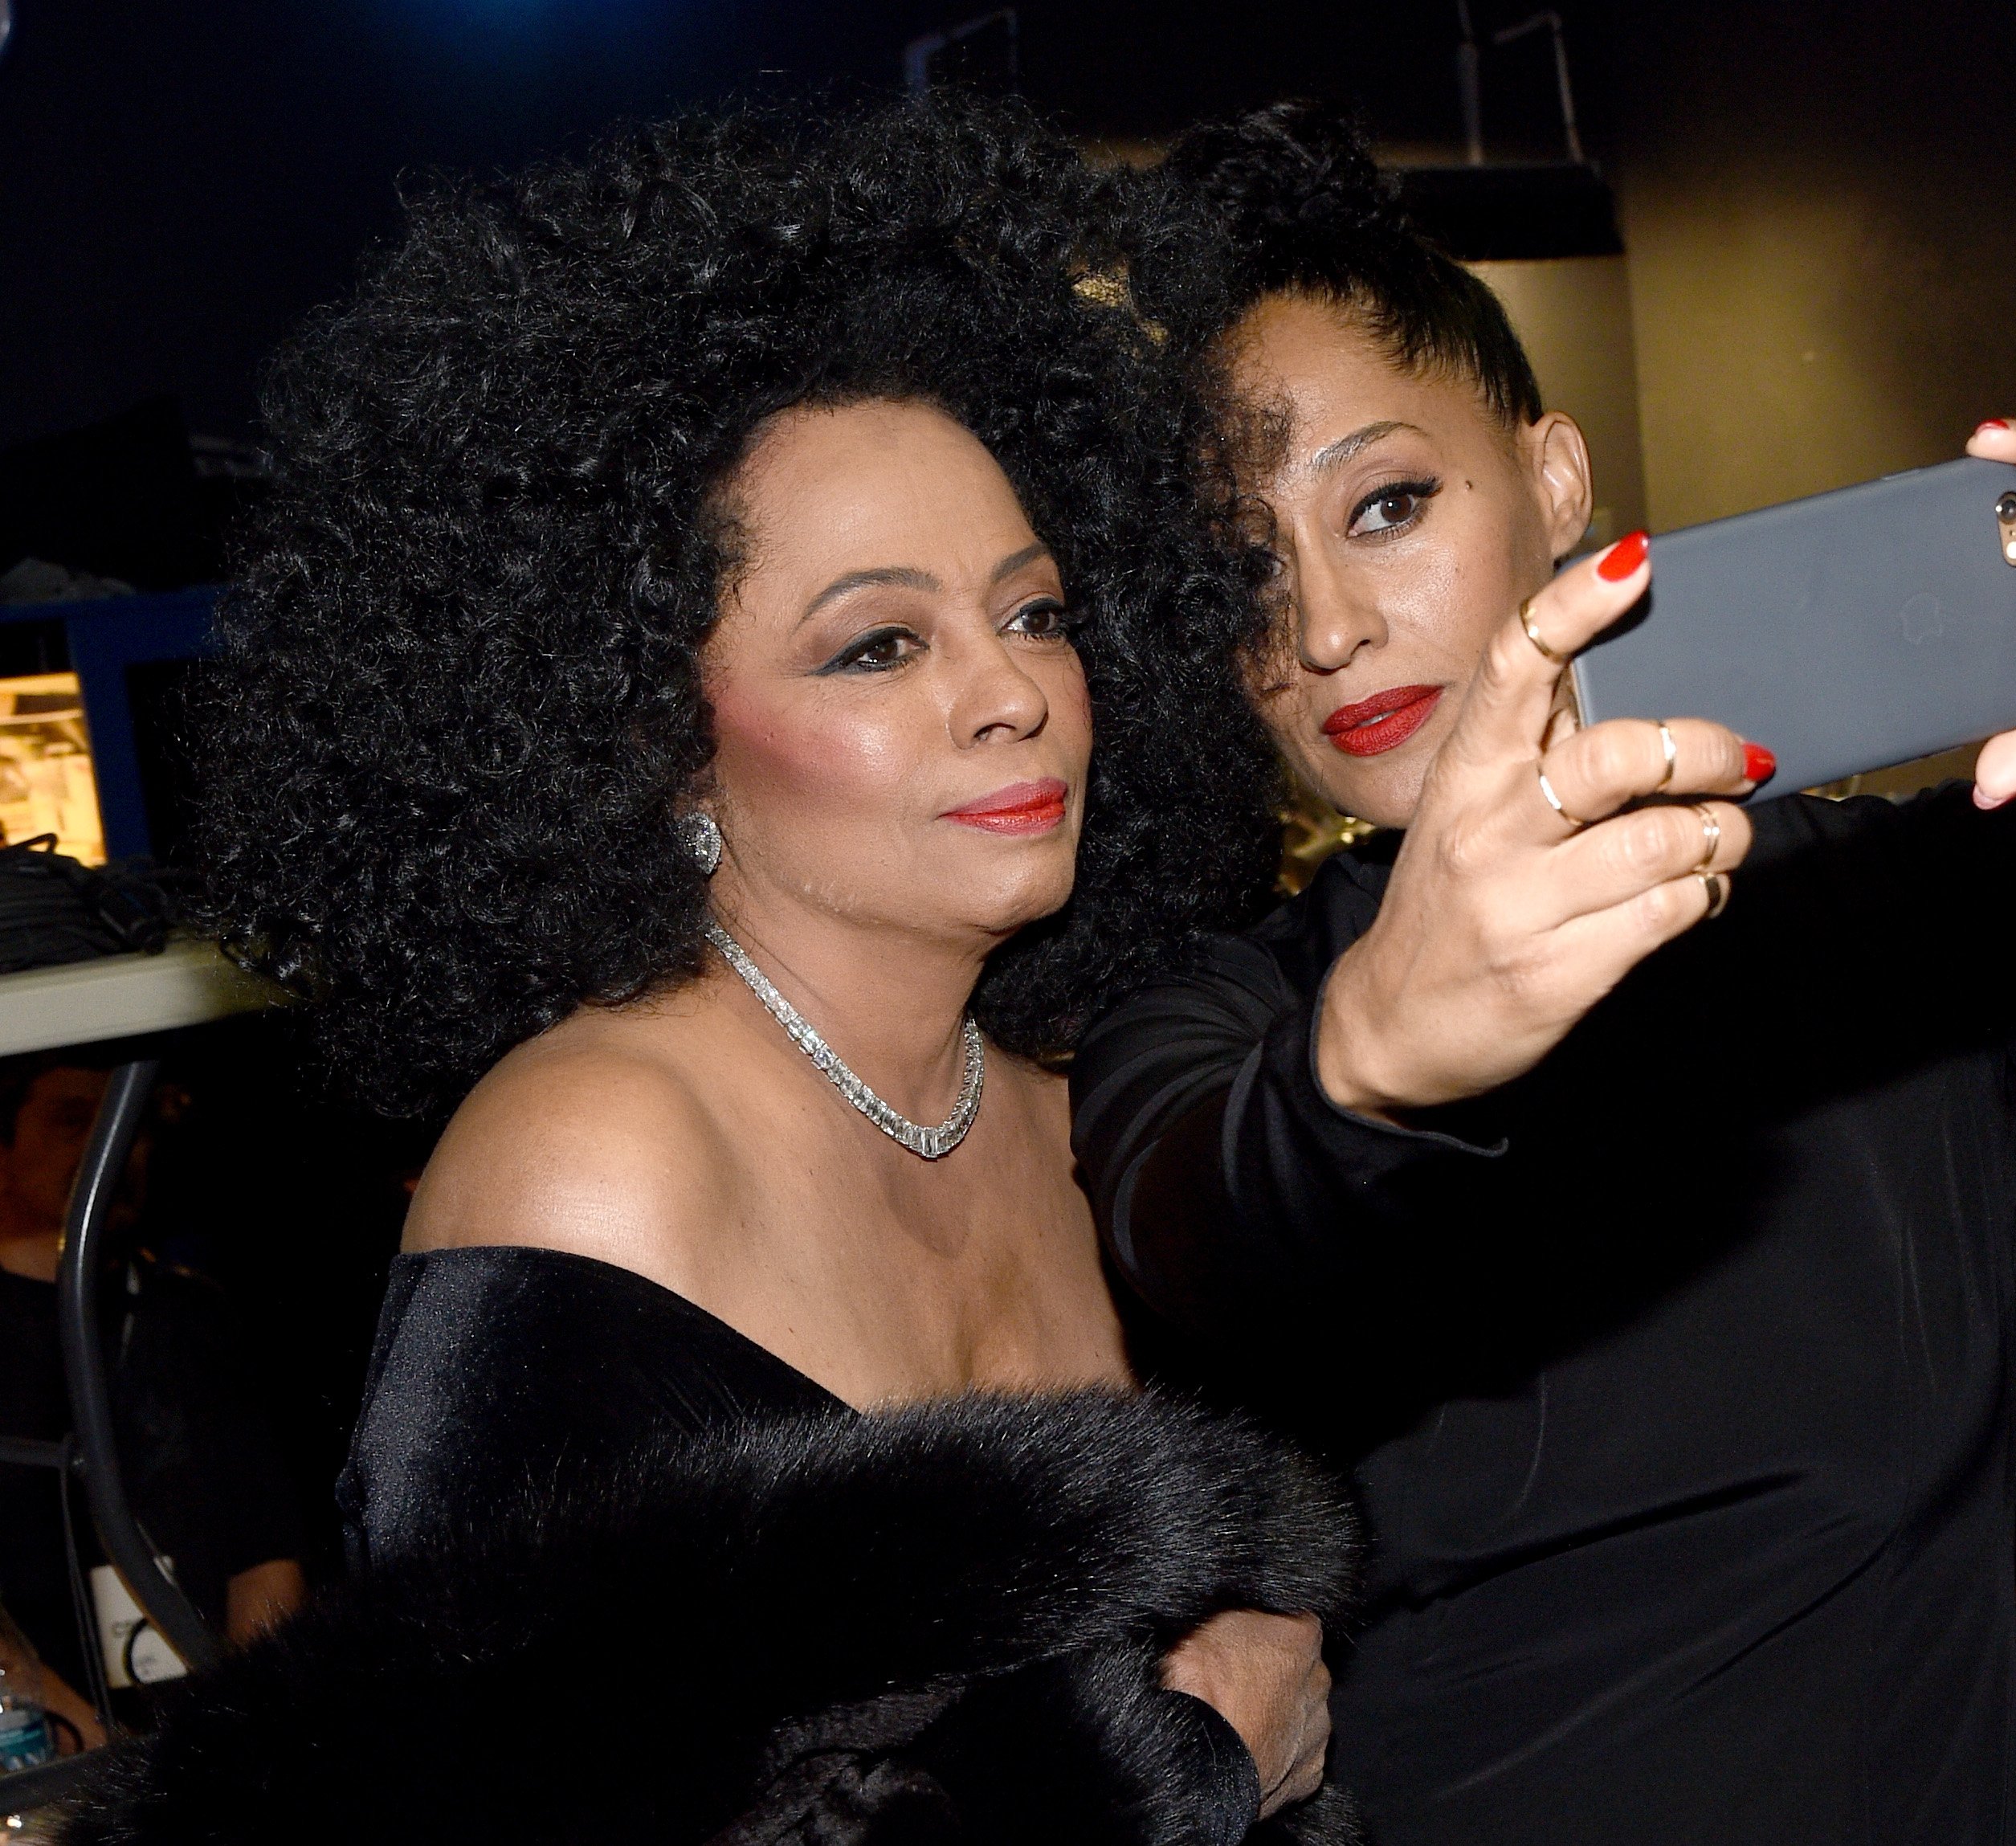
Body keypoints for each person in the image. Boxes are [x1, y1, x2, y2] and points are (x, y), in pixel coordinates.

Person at [1069, 105, 2016, 1846]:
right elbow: (1205, 1220)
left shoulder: (1911, 905)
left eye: (1385, 505)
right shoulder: (1211, 1009)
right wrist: (1378, 1051)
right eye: (1241, 568)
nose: (1321, 627)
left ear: (1555, 481)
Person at [75, 98, 1352, 1846]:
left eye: (1036, 612)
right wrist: (1183, 1776)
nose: (1010, 693)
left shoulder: (1087, 1103)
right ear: (654, 738)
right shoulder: (601, 1164)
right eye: (877, 644)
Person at [0, 1052, 306, 1748]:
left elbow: (265, 1552)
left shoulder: (190, 1315)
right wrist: (103, 1753)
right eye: (72, 1120)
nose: (110, 1147)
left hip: (205, 1737)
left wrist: (247, 1726)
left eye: (128, 1123)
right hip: (47, 1748)